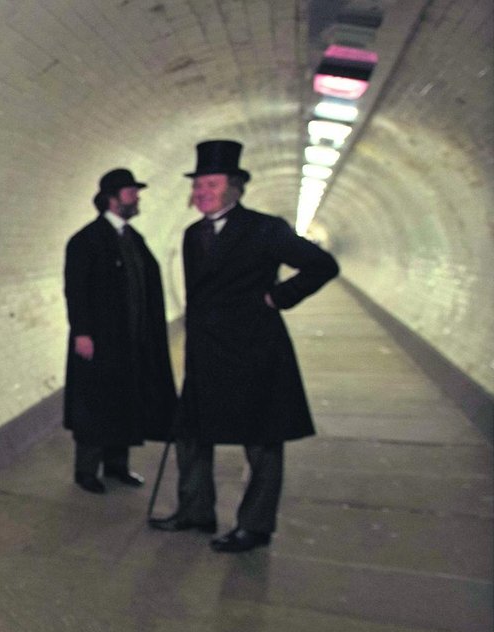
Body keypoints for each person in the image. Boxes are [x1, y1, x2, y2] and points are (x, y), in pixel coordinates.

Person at [149, 140, 339, 553]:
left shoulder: (265, 228)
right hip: (206, 349)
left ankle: (254, 526)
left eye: (211, 185)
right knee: (191, 433)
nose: (201, 192)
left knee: (262, 439)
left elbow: (323, 265)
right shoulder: (192, 234)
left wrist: (278, 297)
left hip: (254, 349)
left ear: (235, 187)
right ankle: (195, 510)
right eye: (197, 185)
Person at [62, 169, 177, 494]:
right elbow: (76, 290)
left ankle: (117, 466)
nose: (137, 197)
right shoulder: (86, 240)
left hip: (129, 341)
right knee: (95, 403)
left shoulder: (132, 238)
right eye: (131, 192)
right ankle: (86, 470)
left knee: (123, 402)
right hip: (98, 340)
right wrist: (82, 332)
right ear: (112, 198)